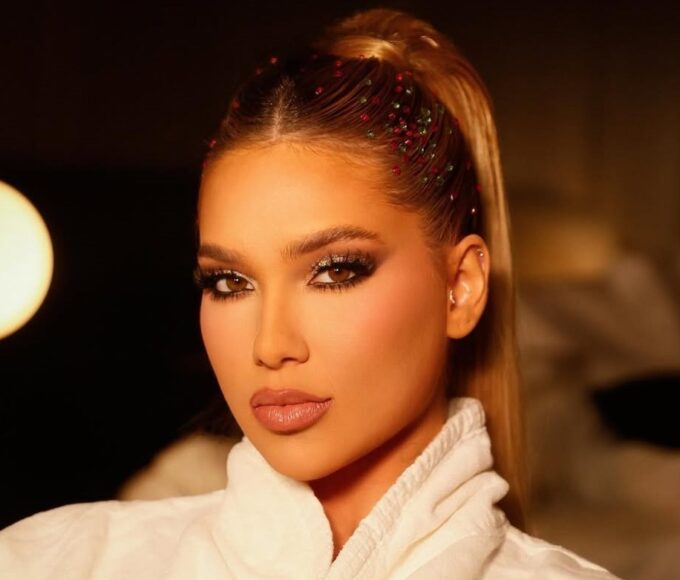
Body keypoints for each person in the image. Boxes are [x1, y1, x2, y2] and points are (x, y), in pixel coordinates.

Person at [0, 9, 619, 579]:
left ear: (461, 287)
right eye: (229, 282)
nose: (270, 346)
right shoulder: (54, 560)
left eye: (335, 271)